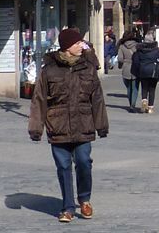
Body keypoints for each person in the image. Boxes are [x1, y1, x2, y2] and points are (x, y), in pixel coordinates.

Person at [28, 27, 108, 224]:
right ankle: (68, 208)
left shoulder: (88, 68)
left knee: (83, 162)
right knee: (63, 166)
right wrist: (36, 128)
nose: (81, 46)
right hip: (58, 125)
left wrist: (101, 125)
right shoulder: (49, 70)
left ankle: (85, 199)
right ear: (66, 47)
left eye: (81, 43)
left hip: (83, 124)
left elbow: (97, 99)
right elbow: (39, 100)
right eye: (77, 43)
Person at [131, 32, 159, 113]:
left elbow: (136, 61)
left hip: (143, 70)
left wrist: (139, 68)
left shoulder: (140, 49)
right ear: (152, 40)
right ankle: (150, 108)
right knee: (152, 89)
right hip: (153, 70)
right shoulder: (156, 49)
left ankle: (144, 100)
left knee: (144, 87)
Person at [116, 29, 141, 111]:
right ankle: (133, 104)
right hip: (136, 67)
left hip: (126, 68)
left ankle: (130, 103)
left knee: (129, 87)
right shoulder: (137, 45)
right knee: (135, 87)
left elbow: (120, 59)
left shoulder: (122, 46)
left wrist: (121, 65)